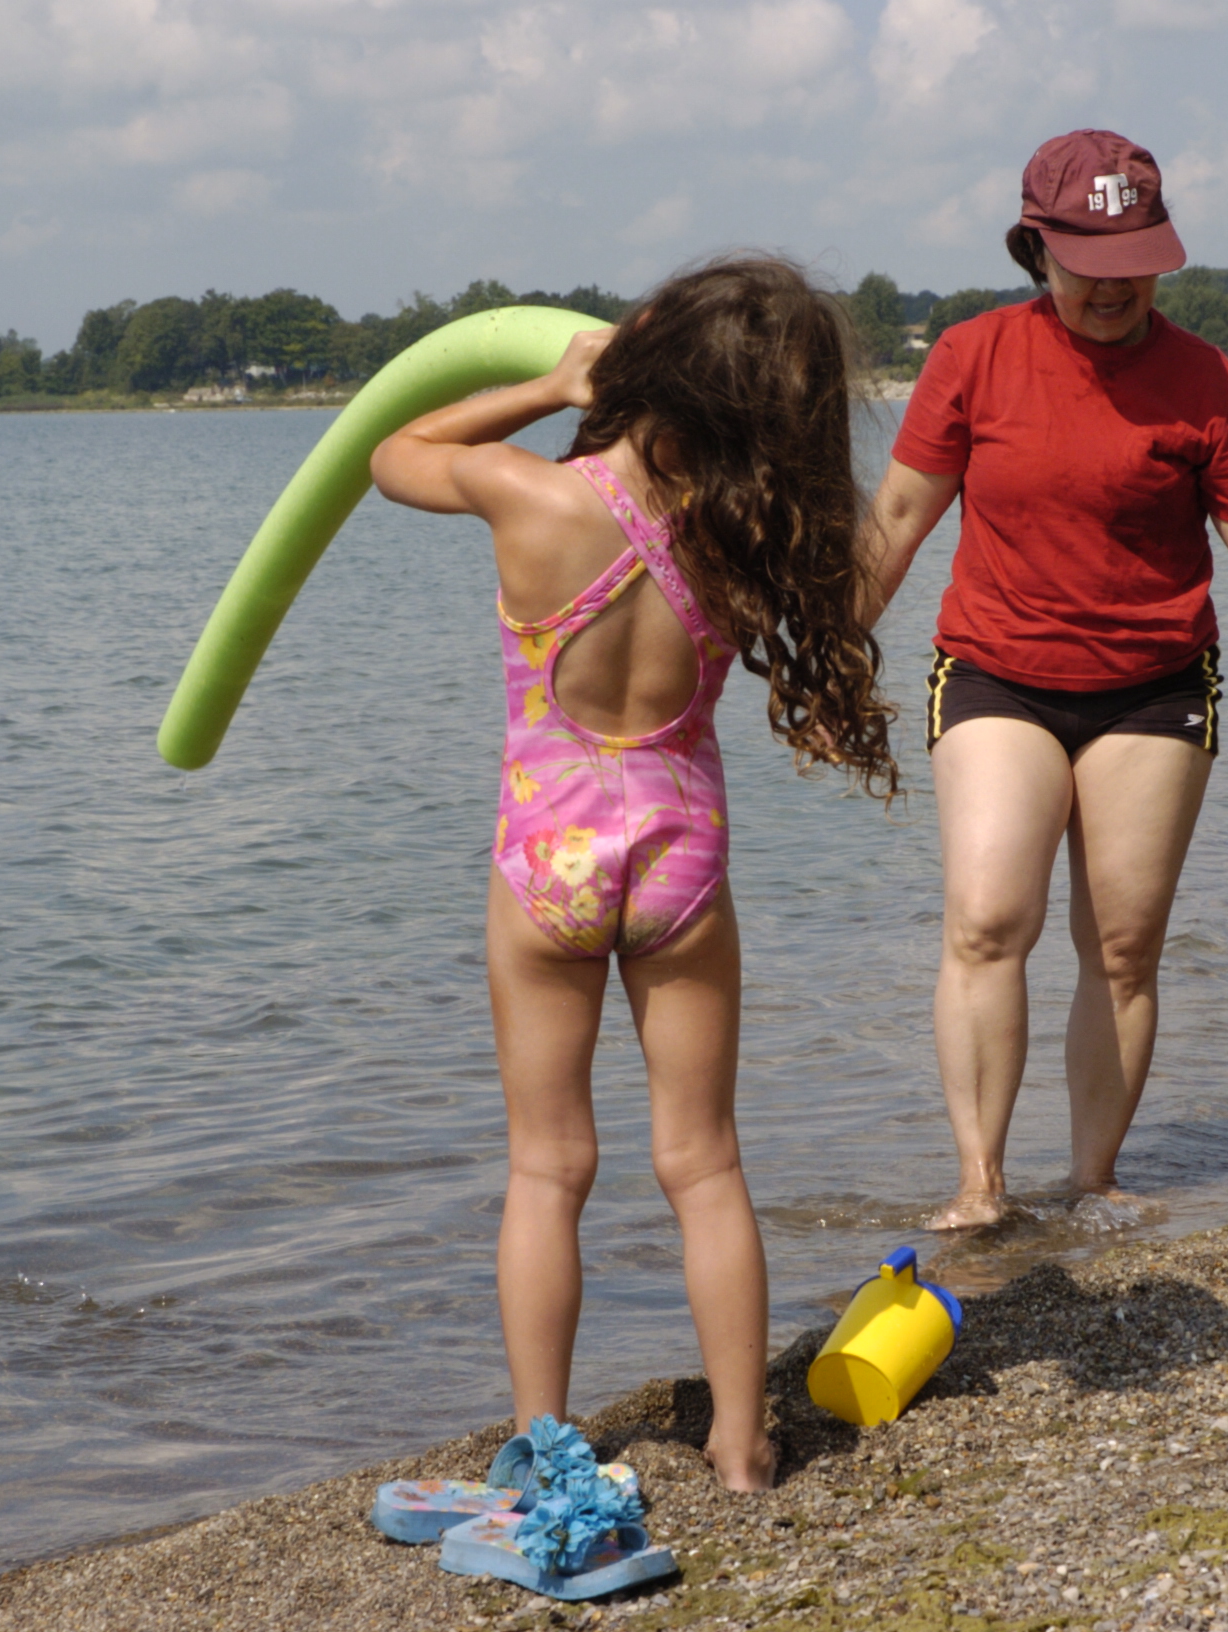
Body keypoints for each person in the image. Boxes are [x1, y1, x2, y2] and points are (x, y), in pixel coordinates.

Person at [370, 259, 899, 1491]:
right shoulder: (747, 543)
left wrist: (550, 384)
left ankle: (544, 1445)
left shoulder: (535, 498)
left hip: (545, 859)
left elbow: (394, 453)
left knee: (547, 1167)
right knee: (703, 1162)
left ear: (649, 368)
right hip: (680, 860)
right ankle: (741, 1442)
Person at [864, 130, 1228, 1229]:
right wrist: (826, 651)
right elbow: (901, 516)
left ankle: (1091, 1181)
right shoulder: (971, 357)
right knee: (986, 921)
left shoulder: (1205, 378)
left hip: (1155, 685)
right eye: (1088, 267)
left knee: (1120, 945)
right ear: (1036, 249)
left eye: (1136, 265)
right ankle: (980, 1185)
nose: (1113, 289)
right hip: (997, 672)